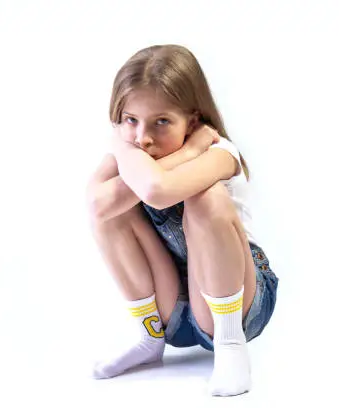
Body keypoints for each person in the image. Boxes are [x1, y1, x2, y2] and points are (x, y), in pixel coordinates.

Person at [85, 44, 279, 397]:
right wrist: (185, 152)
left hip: (240, 303)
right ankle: (149, 338)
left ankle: (231, 346)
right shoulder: (131, 149)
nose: (143, 138)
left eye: (161, 122)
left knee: (206, 196)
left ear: (192, 120)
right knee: (110, 208)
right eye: (131, 120)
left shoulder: (220, 151)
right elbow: (98, 206)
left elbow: (158, 191)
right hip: (172, 311)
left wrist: (182, 157)